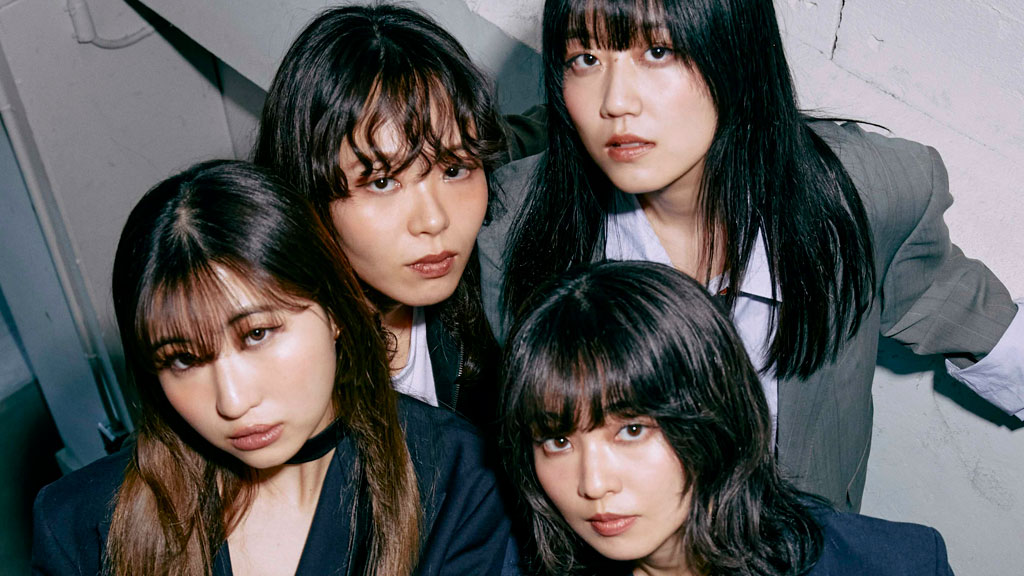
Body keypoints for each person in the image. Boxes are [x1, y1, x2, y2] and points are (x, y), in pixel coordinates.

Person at [478, 0, 1024, 510]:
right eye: (585, 58)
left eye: (659, 51)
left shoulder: (864, 196)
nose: (615, 101)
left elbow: (959, 308)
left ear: (737, 51)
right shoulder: (516, 228)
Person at [31, 161, 513, 576]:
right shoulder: (79, 524)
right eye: (183, 359)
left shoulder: (456, 479)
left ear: (335, 310)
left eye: (258, 334)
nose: (233, 401)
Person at [499, 260, 955, 576]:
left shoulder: (895, 564)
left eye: (632, 430)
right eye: (557, 441)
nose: (594, 484)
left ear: (716, 413)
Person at [253, 4, 544, 428]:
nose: (434, 220)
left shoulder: (494, 182)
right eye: (383, 182)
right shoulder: (268, 356)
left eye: (453, 170)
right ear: (307, 194)